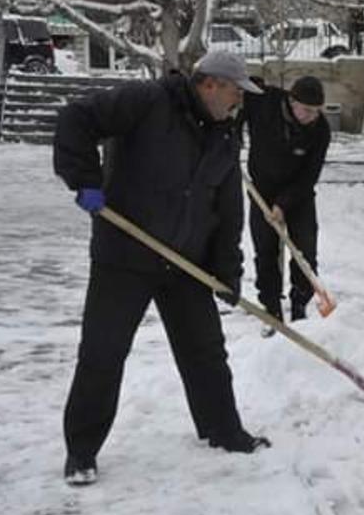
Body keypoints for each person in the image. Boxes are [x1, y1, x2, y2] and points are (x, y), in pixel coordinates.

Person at [53, 50, 271, 487]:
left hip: (184, 263)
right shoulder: (147, 101)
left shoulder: (225, 134)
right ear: (209, 84)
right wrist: (85, 179)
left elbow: (227, 210)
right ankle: (81, 451)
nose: (238, 102)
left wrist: (227, 271)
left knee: (205, 351)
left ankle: (222, 431)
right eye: (234, 92)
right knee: (103, 353)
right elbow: (77, 118)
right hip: (125, 255)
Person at [243, 75, 332, 322]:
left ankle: (299, 303)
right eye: (307, 110)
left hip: (298, 194)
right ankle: (271, 307)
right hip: (261, 189)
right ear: (291, 102)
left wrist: (284, 204)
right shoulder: (266, 103)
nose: (312, 116)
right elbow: (243, 98)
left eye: (317, 111)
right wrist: (232, 136)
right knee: (266, 250)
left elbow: (309, 175)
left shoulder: (320, 130)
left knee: (305, 251)